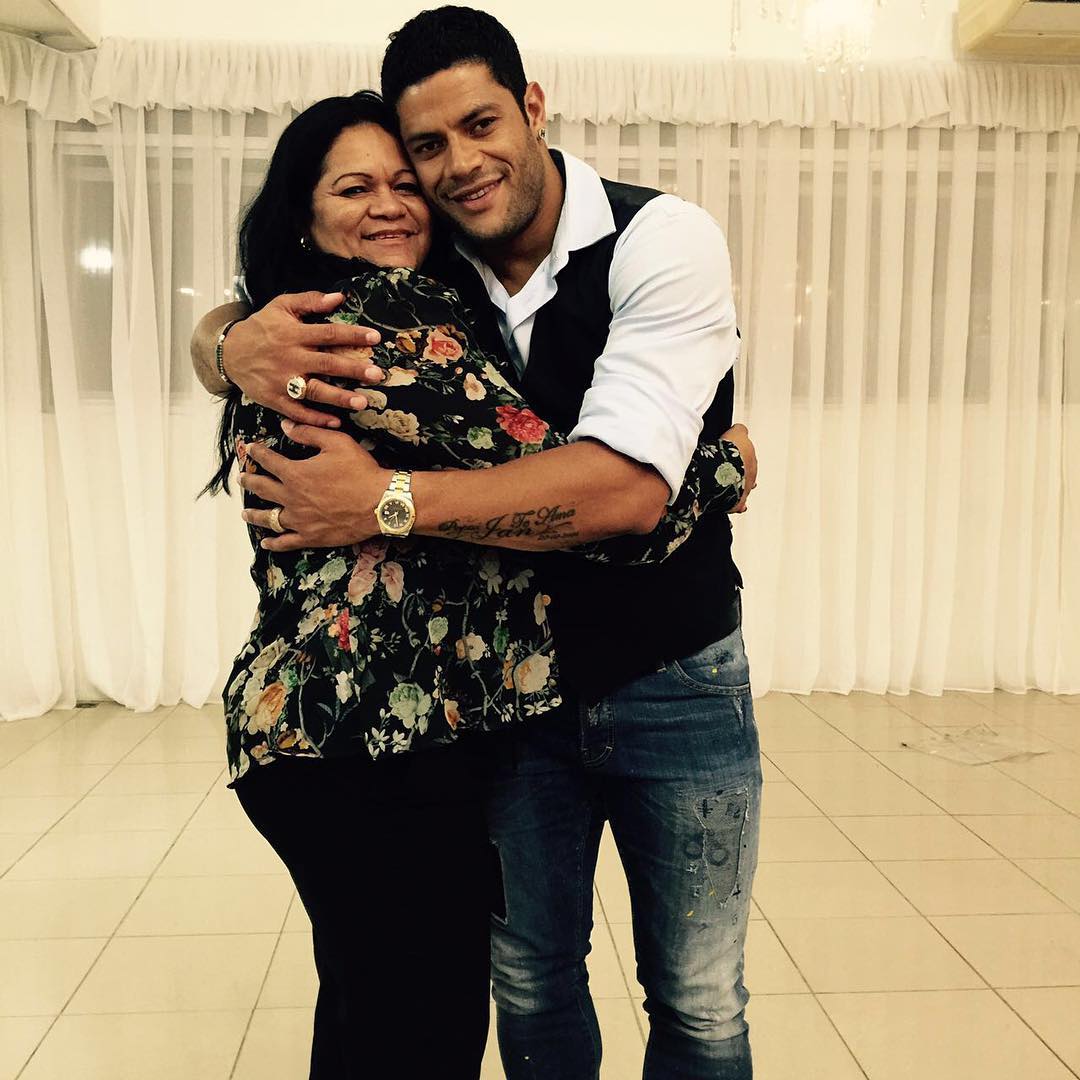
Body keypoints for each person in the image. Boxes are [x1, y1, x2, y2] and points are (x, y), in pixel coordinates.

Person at [205, 89, 752, 1080]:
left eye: (403, 183)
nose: (393, 202)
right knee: (419, 1030)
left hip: (336, 733)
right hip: (372, 746)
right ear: (304, 216)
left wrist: (223, 338)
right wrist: (723, 464)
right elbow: (597, 505)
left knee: (373, 1011)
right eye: (354, 188)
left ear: (532, 113)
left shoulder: (315, 316)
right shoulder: (389, 323)